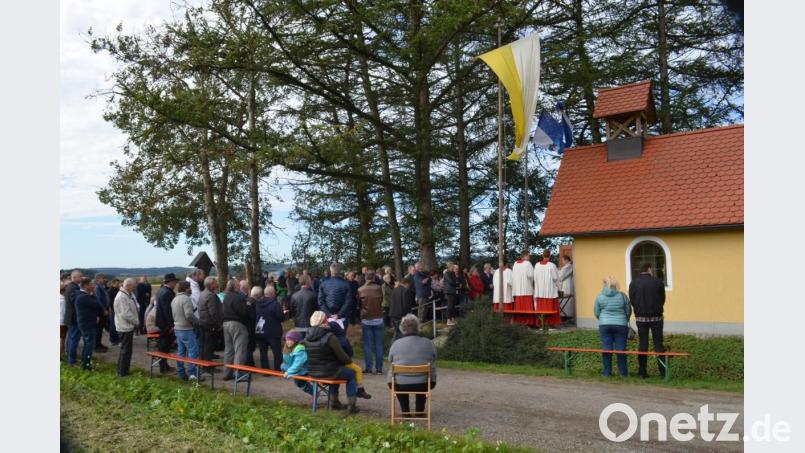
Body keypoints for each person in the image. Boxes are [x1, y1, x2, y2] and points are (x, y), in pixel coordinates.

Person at [303, 311, 363, 413]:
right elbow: (342, 356)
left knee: (336, 371)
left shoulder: (306, 337)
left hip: (313, 372)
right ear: (324, 321)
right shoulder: (330, 337)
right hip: (329, 371)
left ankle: (334, 401)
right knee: (351, 374)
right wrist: (348, 361)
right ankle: (351, 405)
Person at [386, 314, 437, 417]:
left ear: (402, 328)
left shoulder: (396, 344)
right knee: (423, 379)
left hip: (400, 384)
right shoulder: (428, 343)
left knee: (397, 380)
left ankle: (405, 411)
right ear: (418, 327)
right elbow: (435, 357)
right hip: (424, 383)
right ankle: (419, 411)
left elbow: (389, 360)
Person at [629, 262, 667, 379]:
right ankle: (663, 373)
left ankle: (642, 372)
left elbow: (632, 300)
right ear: (649, 269)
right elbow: (662, 299)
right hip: (657, 317)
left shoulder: (633, 283)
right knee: (658, 344)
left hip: (641, 318)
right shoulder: (658, 281)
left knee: (643, 344)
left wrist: (638, 310)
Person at [594, 277, 632, 377]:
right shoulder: (622, 296)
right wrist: (625, 319)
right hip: (621, 325)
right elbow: (628, 310)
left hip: (604, 325)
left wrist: (602, 319)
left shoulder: (599, 297)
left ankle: (606, 373)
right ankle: (623, 373)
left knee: (606, 349)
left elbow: (596, 312)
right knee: (621, 349)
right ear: (616, 285)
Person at [222, 279, 253, 381]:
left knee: (229, 349)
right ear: (236, 287)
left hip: (225, 324)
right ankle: (238, 373)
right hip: (237, 324)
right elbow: (243, 313)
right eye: (238, 285)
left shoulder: (226, 296)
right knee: (240, 349)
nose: (240, 286)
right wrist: (248, 305)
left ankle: (227, 372)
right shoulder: (239, 297)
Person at [172, 281, 203, 382]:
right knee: (193, 351)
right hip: (186, 328)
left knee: (181, 351)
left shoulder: (175, 299)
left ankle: (181, 372)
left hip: (177, 328)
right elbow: (189, 314)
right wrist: (197, 322)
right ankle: (192, 374)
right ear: (186, 289)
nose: (191, 289)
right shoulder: (186, 299)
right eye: (189, 287)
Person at [358, 270, 385, 375]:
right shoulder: (379, 289)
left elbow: (359, 304)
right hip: (378, 317)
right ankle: (379, 369)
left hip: (366, 318)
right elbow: (382, 300)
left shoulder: (360, 290)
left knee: (368, 345)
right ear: (374, 278)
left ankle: (369, 368)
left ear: (365, 277)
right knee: (378, 344)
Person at [75, 278, 105, 370]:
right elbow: (99, 306)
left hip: (87, 323)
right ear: (85, 286)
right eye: (91, 284)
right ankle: (86, 366)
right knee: (89, 345)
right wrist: (95, 295)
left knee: (87, 344)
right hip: (87, 324)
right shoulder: (83, 296)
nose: (93, 286)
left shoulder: (83, 295)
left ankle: (85, 363)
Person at [114, 278, 140, 377]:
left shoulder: (125, 295)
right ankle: (123, 373)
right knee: (126, 351)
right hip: (124, 327)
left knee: (125, 350)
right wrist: (136, 322)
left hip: (126, 326)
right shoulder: (122, 297)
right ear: (128, 285)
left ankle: (122, 370)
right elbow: (126, 314)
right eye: (133, 286)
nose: (134, 288)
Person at [255, 286, 285, 370]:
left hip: (260, 331)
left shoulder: (257, 303)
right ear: (272, 294)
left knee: (263, 352)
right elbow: (281, 317)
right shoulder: (275, 304)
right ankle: (277, 369)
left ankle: (265, 370)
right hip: (273, 331)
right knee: (276, 352)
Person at [318, 263, 353, 329]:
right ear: (340, 271)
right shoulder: (346, 284)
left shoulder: (323, 284)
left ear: (331, 271)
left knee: (330, 336)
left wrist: (335, 315)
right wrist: (332, 315)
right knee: (338, 336)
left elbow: (320, 302)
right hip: (336, 316)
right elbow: (348, 301)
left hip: (336, 316)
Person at [155, 273, 178, 374]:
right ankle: (163, 367)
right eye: (175, 282)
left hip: (162, 321)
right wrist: (172, 325)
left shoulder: (161, 290)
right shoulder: (167, 293)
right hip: (165, 323)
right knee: (164, 345)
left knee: (164, 345)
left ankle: (165, 365)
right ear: (171, 282)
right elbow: (168, 311)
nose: (176, 283)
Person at [198, 276, 223, 365]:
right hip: (209, 324)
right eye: (216, 282)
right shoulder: (211, 296)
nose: (217, 284)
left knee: (204, 345)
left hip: (203, 323)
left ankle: (203, 363)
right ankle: (207, 366)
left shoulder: (203, 293)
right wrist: (219, 324)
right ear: (211, 285)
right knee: (208, 346)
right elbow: (213, 312)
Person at [281, 330, 314, 395]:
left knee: (299, 382)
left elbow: (298, 364)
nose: (288, 342)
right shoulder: (289, 348)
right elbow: (288, 361)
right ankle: (313, 392)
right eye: (287, 340)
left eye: (290, 340)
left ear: (295, 340)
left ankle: (314, 393)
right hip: (297, 368)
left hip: (304, 369)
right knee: (283, 366)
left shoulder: (300, 349)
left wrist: (289, 372)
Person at [534, 250, 561, 328]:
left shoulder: (537, 265)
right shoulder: (551, 265)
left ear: (542, 255)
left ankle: (541, 324)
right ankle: (550, 324)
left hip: (540, 291)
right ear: (549, 256)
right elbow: (555, 278)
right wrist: (559, 287)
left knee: (541, 308)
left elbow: (535, 277)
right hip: (549, 291)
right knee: (550, 308)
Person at [64, 270, 83, 365]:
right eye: (80, 276)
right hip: (73, 318)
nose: (82, 278)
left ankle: (70, 357)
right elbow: (75, 302)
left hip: (71, 317)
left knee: (72, 338)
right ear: (74, 277)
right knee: (74, 339)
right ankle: (72, 361)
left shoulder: (71, 287)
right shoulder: (73, 288)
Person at [511, 251, 535, 326]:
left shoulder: (515, 264)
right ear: (525, 256)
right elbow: (531, 275)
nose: (529, 257)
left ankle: (519, 322)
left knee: (519, 308)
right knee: (527, 308)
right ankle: (528, 322)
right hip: (526, 289)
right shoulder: (528, 263)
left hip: (518, 290)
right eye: (529, 255)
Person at [390, 276, 414, 341]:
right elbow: (406, 305)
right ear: (406, 283)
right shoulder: (406, 291)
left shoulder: (394, 290)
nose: (409, 286)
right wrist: (408, 315)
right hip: (401, 316)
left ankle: (392, 348)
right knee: (402, 334)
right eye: (409, 285)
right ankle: (402, 348)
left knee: (397, 333)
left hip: (393, 315)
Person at [94, 273, 111, 352]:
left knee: (100, 329)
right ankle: (96, 345)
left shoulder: (102, 287)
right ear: (97, 279)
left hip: (104, 310)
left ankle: (99, 343)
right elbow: (98, 300)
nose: (104, 279)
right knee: (98, 329)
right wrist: (104, 309)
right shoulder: (97, 288)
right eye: (102, 278)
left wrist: (108, 307)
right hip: (100, 312)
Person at [60, 279, 67, 355]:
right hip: (62, 322)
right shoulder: (63, 300)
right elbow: (63, 312)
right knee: (62, 339)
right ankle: (60, 353)